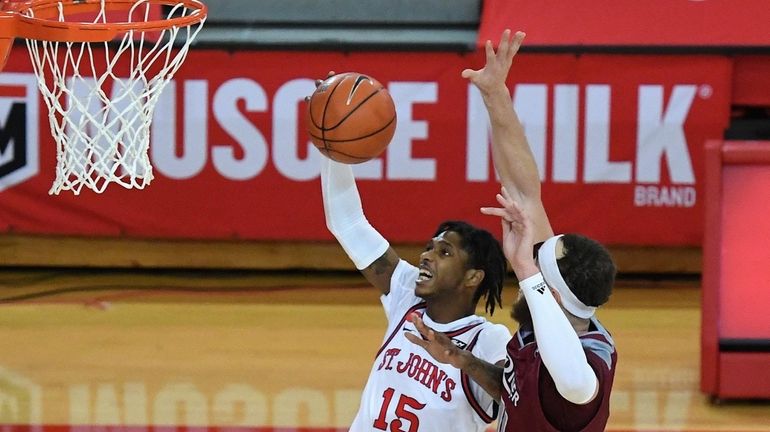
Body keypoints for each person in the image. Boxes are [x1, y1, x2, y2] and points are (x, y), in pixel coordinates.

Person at [405, 30, 618, 431]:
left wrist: (525, 270)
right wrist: (495, 95)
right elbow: (524, 191)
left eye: (537, 270)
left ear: (551, 293)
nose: (531, 263)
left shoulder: (585, 367)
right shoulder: (551, 319)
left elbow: (575, 383)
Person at [317, 110, 512, 429]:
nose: (426, 256)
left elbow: (517, 397)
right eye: (430, 247)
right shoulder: (407, 295)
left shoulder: (487, 339)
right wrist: (332, 144)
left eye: (444, 252)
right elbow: (348, 224)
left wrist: (459, 358)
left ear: (472, 277)